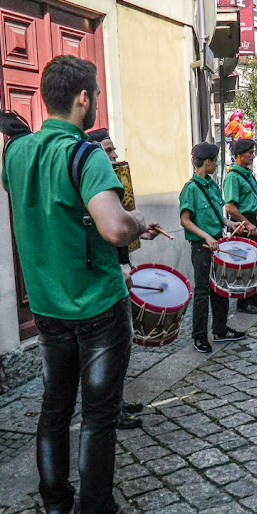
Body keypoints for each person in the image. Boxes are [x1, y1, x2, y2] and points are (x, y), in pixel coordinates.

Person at [2, 55, 164, 514]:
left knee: (54, 407)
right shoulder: (86, 154)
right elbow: (114, 227)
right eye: (93, 92)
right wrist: (136, 222)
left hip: (48, 307)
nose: (94, 99)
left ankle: (57, 510)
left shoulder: (16, 153)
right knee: (97, 416)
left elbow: (37, 200)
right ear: (82, 98)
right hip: (95, 306)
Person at [86, 128, 144, 431]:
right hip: (105, 280)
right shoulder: (93, 184)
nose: (114, 156)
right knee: (110, 353)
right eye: (108, 151)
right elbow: (109, 232)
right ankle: (111, 411)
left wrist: (139, 230)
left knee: (120, 351)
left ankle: (117, 402)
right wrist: (122, 266)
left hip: (117, 271)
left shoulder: (113, 181)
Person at [180, 143, 246, 353]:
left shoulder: (212, 186)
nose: (217, 164)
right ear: (207, 162)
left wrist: (230, 224)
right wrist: (206, 236)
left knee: (222, 288)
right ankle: (199, 336)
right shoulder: (190, 188)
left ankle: (220, 330)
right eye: (215, 161)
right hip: (202, 247)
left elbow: (218, 216)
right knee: (202, 292)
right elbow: (185, 220)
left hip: (218, 243)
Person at [223, 138, 257, 313]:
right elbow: (230, 206)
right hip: (244, 224)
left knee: (255, 263)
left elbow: (252, 201)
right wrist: (247, 224)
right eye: (250, 152)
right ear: (239, 155)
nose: (253, 155)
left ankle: (254, 298)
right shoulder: (233, 176)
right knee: (245, 264)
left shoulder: (247, 174)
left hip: (254, 221)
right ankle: (243, 303)